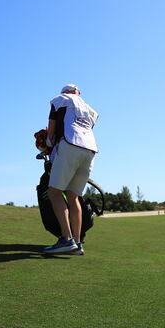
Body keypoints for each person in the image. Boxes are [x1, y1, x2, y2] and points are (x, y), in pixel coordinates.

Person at [43, 84, 98, 255]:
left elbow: (51, 130)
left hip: (70, 145)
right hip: (90, 151)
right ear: (78, 93)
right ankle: (78, 242)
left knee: (54, 192)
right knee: (74, 196)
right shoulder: (91, 110)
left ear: (65, 92)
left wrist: (47, 145)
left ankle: (67, 240)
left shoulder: (59, 100)